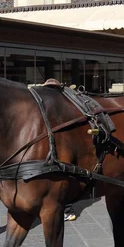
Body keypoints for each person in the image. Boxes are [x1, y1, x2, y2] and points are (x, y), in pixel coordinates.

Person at [43, 78, 78, 221]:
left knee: (64, 175)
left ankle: (67, 209)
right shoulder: (60, 103)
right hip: (53, 145)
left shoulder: (58, 104)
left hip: (62, 146)